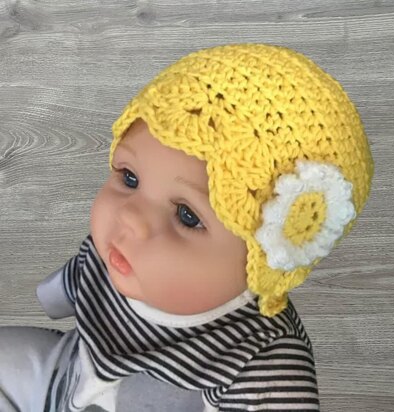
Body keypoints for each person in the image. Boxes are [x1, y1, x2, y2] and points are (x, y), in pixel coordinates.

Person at [0, 43, 374, 411]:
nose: (130, 217)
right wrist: (52, 297)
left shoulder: (262, 363)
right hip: (64, 373)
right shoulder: (117, 255)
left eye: (187, 216)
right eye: (129, 178)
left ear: (263, 266)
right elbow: (82, 279)